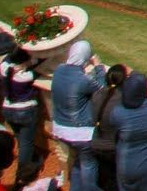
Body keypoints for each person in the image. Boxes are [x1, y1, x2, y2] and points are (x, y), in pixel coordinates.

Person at [51, 42, 106, 191]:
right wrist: (99, 66)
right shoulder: (83, 80)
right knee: (88, 165)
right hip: (81, 133)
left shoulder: (59, 70)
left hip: (61, 130)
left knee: (77, 163)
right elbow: (102, 88)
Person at [0, 49, 42, 186]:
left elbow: (9, 60)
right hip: (25, 112)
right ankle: (22, 176)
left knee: (21, 140)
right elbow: (40, 65)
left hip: (8, 110)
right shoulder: (25, 76)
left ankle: (31, 161)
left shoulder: (4, 67)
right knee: (26, 144)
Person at [88, 66, 129, 191]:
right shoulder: (123, 100)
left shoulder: (97, 95)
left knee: (105, 179)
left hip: (97, 145)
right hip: (114, 148)